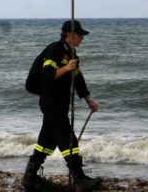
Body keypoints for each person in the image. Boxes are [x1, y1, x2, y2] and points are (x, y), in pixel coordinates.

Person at [23, 20, 101, 192]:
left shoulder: (72, 54)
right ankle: (79, 179)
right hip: (51, 102)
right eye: (80, 35)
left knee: (47, 141)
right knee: (67, 139)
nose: (82, 39)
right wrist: (67, 68)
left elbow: (78, 79)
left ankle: (30, 178)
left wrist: (89, 100)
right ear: (70, 34)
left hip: (60, 103)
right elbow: (48, 74)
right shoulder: (55, 50)